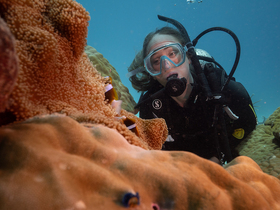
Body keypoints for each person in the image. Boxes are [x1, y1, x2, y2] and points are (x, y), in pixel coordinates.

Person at [128, 26, 257, 164]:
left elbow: (248, 122)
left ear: (188, 57)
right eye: (156, 61)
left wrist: (219, 156)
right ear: (151, 72)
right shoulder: (150, 107)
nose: (166, 65)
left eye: (172, 54)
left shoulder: (223, 88)